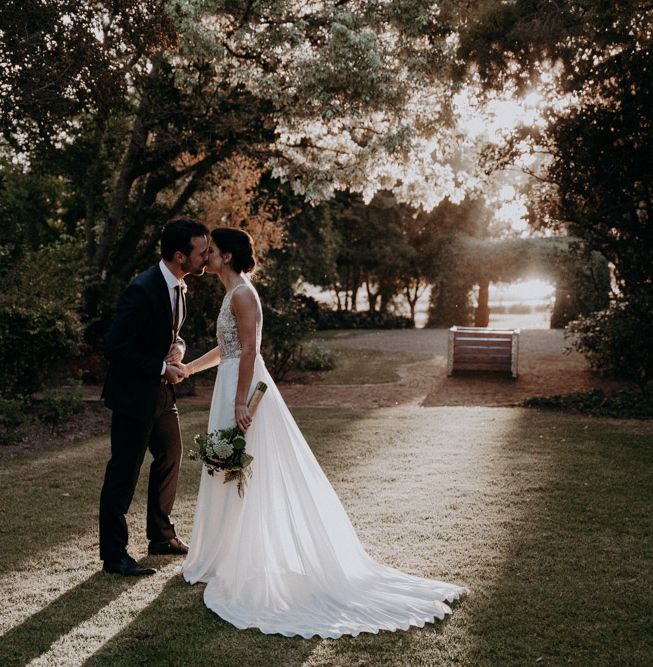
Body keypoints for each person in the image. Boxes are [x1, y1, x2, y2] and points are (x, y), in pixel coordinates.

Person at [181, 227, 466, 638]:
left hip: (241, 390)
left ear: (226, 256)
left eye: (210, 251)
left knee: (245, 469)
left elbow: (249, 351)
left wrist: (240, 402)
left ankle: (244, 559)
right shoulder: (232, 293)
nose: (204, 257)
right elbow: (227, 350)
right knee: (229, 469)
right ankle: (226, 556)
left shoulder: (243, 294)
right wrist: (190, 368)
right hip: (229, 384)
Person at [99, 217, 209, 576]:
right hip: (134, 395)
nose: (206, 256)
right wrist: (162, 369)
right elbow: (116, 347)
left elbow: (167, 331)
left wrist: (176, 346)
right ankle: (114, 556)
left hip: (162, 395)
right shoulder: (143, 289)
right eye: (201, 251)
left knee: (170, 455)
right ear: (180, 255)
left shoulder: (177, 284)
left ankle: (161, 535)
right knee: (123, 473)